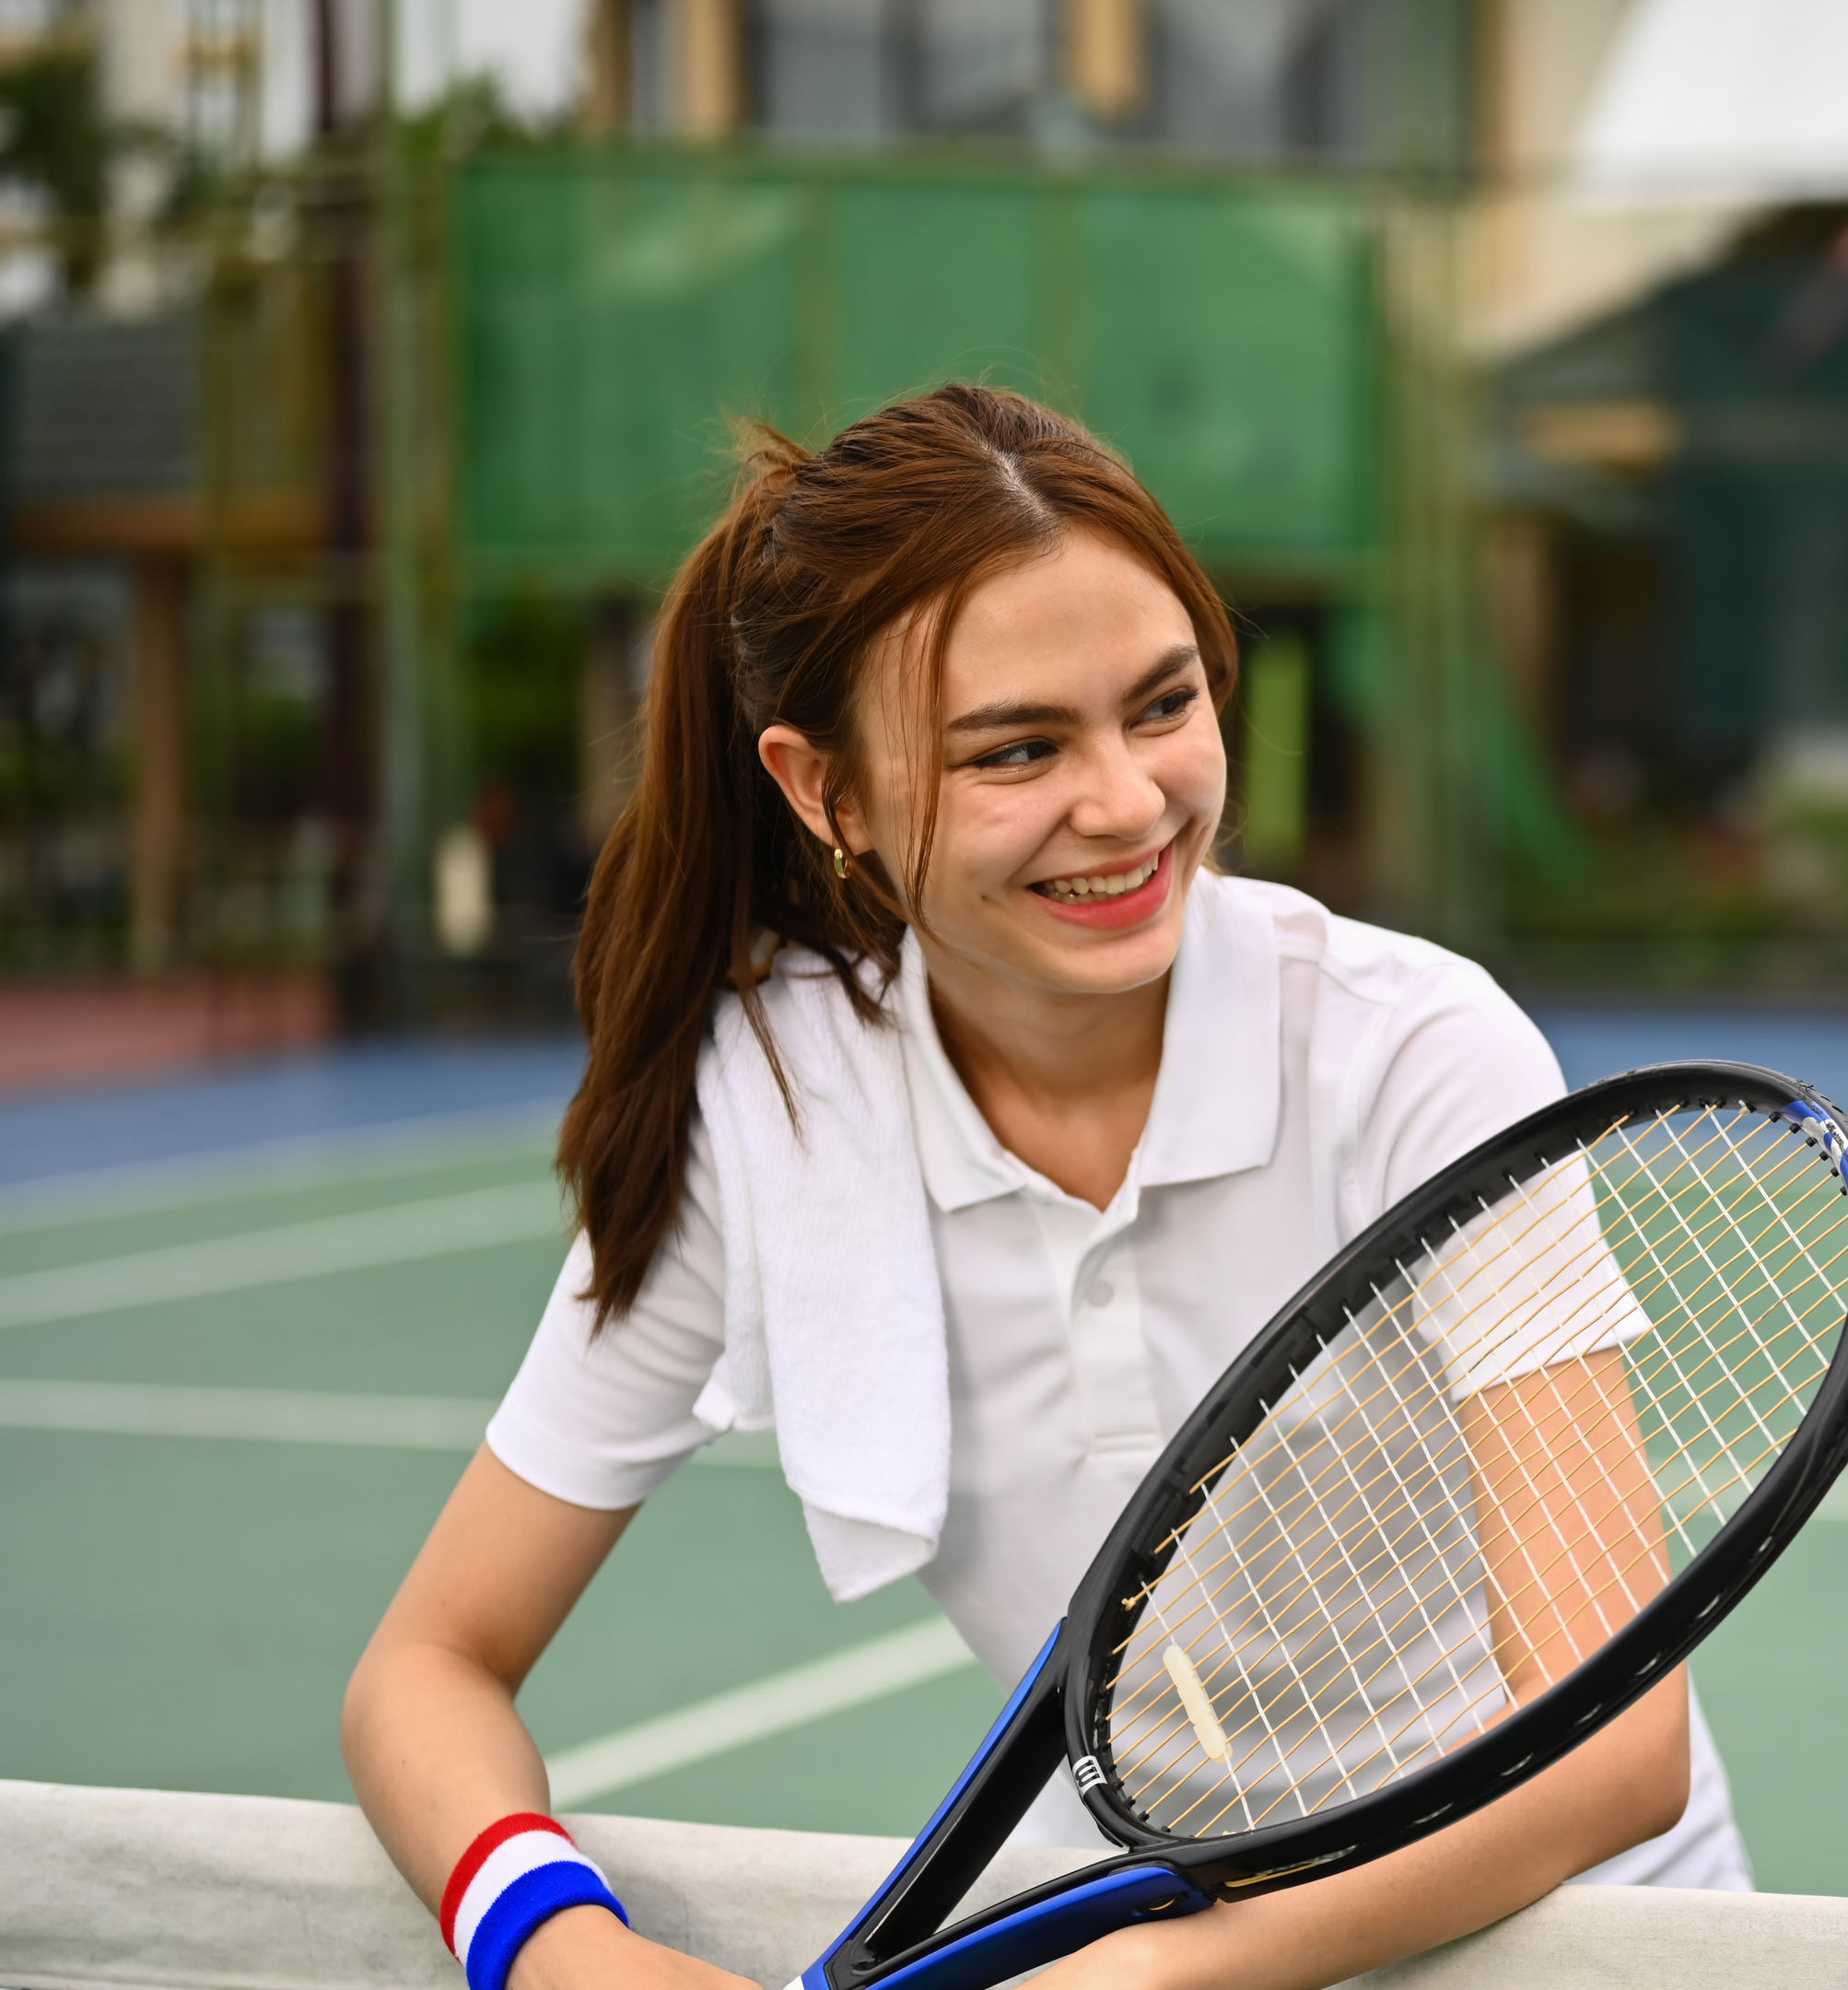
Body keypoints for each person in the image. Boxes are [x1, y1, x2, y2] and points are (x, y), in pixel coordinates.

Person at [344, 384, 1747, 1990]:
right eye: (1020, 747)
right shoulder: (771, 1114)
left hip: (1582, 1942)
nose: (1130, 803)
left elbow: (1616, 1747)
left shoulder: (1416, 1053)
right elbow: (426, 1671)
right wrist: (560, 1950)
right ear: (825, 793)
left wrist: (1157, 1975)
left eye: (1162, 706)